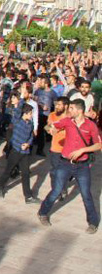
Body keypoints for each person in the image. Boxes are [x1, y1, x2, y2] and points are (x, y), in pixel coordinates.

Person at [39, 99, 100, 234]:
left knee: (86, 195)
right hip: (64, 163)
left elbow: (98, 145)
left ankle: (93, 222)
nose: (69, 110)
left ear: (79, 111)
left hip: (82, 166)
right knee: (56, 190)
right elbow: (48, 126)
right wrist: (51, 129)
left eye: (71, 108)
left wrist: (83, 150)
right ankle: (43, 212)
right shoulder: (67, 121)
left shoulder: (91, 126)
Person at [0, 103, 41, 203]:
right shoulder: (17, 122)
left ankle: (28, 196)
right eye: (30, 113)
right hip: (15, 151)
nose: (31, 115)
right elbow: (17, 112)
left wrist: (28, 144)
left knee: (25, 173)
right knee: (8, 170)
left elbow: (31, 136)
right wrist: (22, 97)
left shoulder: (30, 123)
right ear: (25, 113)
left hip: (25, 152)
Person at [46, 97, 69, 200]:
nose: (57, 106)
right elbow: (47, 126)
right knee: (54, 172)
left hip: (68, 150)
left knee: (64, 172)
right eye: (56, 104)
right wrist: (49, 130)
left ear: (66, 106)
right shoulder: (52, 115)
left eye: (59, 105)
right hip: (55, 149)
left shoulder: (71, 117)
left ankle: (63, 188)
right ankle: (56, 191)